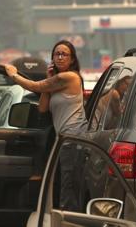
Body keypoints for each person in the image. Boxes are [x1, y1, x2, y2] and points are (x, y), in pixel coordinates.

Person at [5, 40, 88, 212]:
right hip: (64, 140)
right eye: (56, 54)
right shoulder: (56, 82)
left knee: (69, 186)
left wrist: (13, 75)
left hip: (74, 138)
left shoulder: (70, 77)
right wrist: (49, 79)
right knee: (66, 184)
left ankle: (69, 221)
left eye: (64, 54)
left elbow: (35, 86)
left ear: (72, 60)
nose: (59, 57)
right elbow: (43, 108)